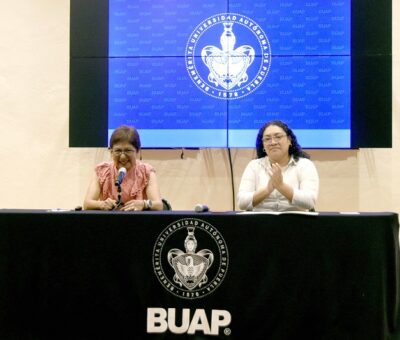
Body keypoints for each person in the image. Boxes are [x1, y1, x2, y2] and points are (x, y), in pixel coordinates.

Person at [237, 120, 319, 211]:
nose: (273, 142)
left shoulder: (305, 165)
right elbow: (242, 202)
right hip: (261, 222)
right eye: (267, 139)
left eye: (278, 137)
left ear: (289, 140)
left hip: (295, 221)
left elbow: (309, 201)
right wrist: (267, 189)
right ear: (263, 145)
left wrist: (281, 186)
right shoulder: (254, 166)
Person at [83, 125, 163, 211]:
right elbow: (87, 204)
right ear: (111, 152)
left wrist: (144, 204)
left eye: (128, 150)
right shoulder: (102, 171)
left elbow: (158, 205)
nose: (123, 157)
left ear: (137, 151)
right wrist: (101, 204)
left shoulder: (147, 172)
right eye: (118, 151)